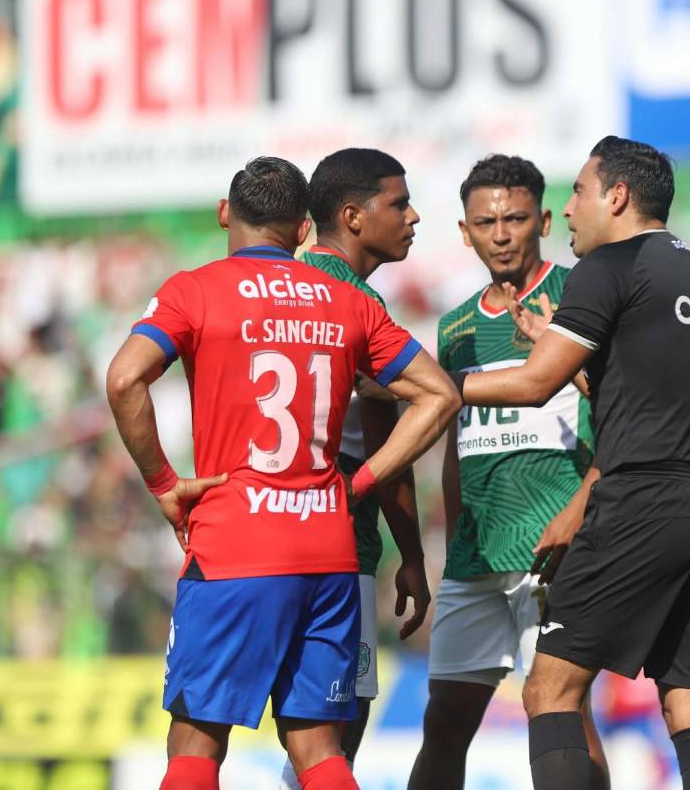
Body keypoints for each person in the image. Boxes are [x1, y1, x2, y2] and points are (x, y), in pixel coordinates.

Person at [104, 156, 460, 790]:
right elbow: (438, 394)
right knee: (321, 752)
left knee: (194, 744)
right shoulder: (347, 301)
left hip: (236, 544)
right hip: (329, 548)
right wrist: (361, 481)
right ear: (303, 229)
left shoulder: (196, 289)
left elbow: (125, 377)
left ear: (224, 213)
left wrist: (163, 485)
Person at [448, 136, 690, 790]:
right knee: (688, 701)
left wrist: (434, 386)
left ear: (616, 195)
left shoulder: (609, 267)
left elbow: (531, 386)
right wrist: (566, 358)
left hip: (644, 502)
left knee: (550, 691)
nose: (571, 208)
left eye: (579, 192)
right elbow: (639, 396)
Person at [408, 154, 608, 790]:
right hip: (475, 557)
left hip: (555, 549)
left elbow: (622, 416)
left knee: (563, 714)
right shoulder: (456, 325)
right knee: (444, 722)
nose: (501, 233)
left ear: (543, 220)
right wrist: (444, 544)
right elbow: (453, 444)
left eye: (516, 217)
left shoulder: (581, 296)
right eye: (485, 221)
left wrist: (582, 513)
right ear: (464, 232)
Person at [274, 147, 432, 789]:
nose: (414, 216)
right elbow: (406, 423)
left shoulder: (277, 285)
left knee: (215, 735)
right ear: (353, 216)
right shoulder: (356, 309)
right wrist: (410, 555)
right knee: (335, 739)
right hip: (335, 542)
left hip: (249, 539)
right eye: (399, 203)